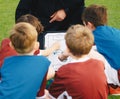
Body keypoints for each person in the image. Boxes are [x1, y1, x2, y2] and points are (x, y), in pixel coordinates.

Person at [48, 24, 108, 99]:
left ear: (67, 47)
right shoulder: (99, 64)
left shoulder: (65, 71)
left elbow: (51, 96)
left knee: (45, 91)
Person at [0, 22, 50, 99]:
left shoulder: (6, 62)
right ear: (37, 45)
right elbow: (40, 95)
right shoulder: (44, 62)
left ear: (11, 45)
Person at [82, 4, 120, 95]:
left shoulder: (94, 35)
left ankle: (108, 86)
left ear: (89, 24)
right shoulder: (113, 30)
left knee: (87, 54)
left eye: (84, 25)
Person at [15, 0, 85, 49]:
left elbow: (79, 4)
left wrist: (66, 11)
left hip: (68, 29)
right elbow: (21, 12)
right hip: (42, 30)